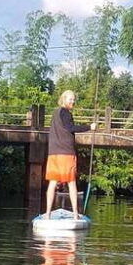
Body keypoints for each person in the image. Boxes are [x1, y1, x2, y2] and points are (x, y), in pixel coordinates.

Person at [44, 90, 96, 219]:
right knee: (71, 183)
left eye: (73, 99)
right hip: (66, 153)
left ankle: (48, 215)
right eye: (70, 99)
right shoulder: (65, 112)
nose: (73, 101)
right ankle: (75, 216)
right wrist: (90, 127)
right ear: (63, 99)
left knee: (52, 183)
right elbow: (70, 128)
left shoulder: (55, 112)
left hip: (53, 153)